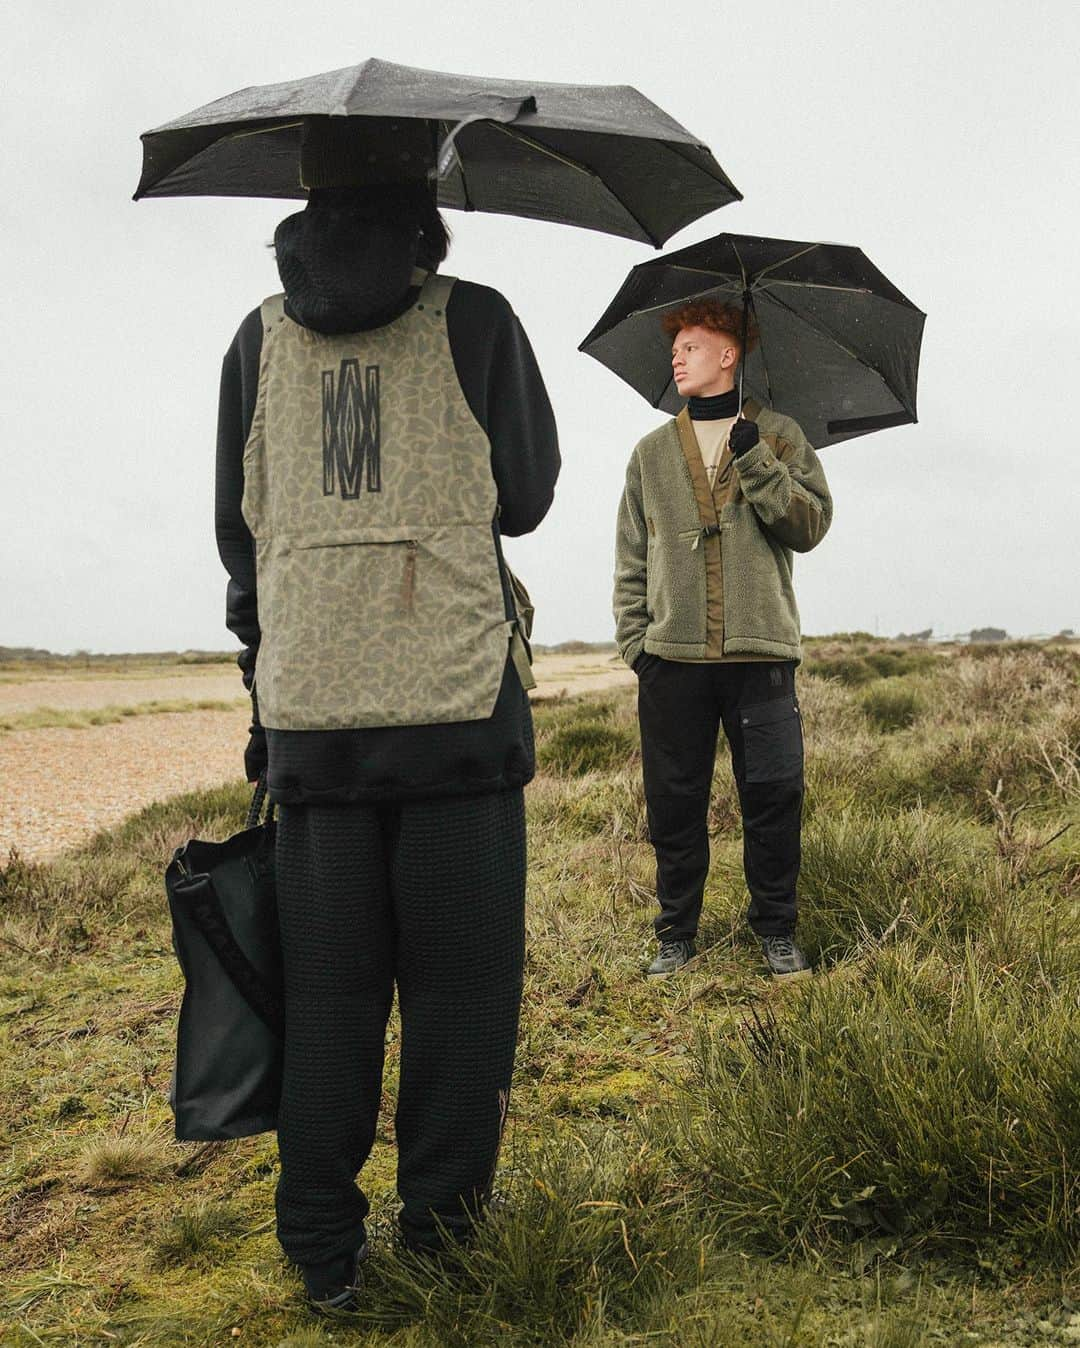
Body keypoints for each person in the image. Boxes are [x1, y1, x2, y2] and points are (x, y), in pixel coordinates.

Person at [215, 121, 559, 1311]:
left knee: (325, 1002)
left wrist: (274, 670)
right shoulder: (479, 321)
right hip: (458, 714)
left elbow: (236, 532)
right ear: (426, 197)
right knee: (462, 1002)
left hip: (313, 723)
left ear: (305, 195)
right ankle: (448, 1243)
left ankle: (321, 1257)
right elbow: (527, 494)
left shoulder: (252, 344)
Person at [613, 299, 831, 980]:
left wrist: (755, 459)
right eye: (675, 346)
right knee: (674, 807)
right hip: (672, 663)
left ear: (730, 352)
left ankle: (776, 932)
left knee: (773, 799)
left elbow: (809, 526)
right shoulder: (650, 454)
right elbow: (631, 559)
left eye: (691, 344)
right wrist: (638, 649)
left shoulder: (780, 434)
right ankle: (676, 934)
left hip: (761, 658)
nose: (676, 355)